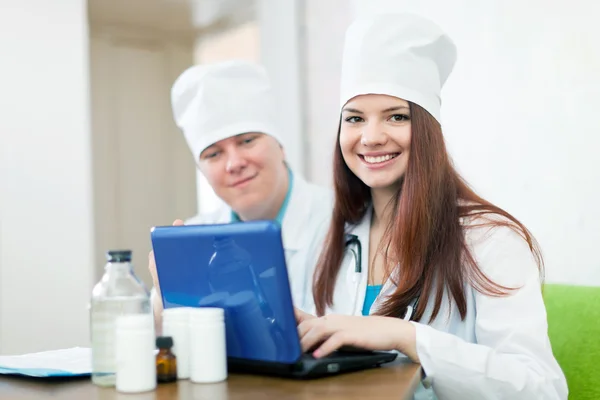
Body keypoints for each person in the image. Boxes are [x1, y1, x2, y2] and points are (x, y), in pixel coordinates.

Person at [295, 13, 568, 400]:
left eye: (396, 116)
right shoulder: (334, 236)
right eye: (354, 118)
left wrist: (407, 337)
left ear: (427, 129)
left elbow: (541, 389)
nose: (371, 137)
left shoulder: (490, 240)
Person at [149, 60, 333, 332]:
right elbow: (161, 339)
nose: (234, 163)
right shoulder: (194, 235)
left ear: (280, 146)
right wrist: (168, 294)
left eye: (247, 141)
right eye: (213, 154)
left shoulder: (344, 218)